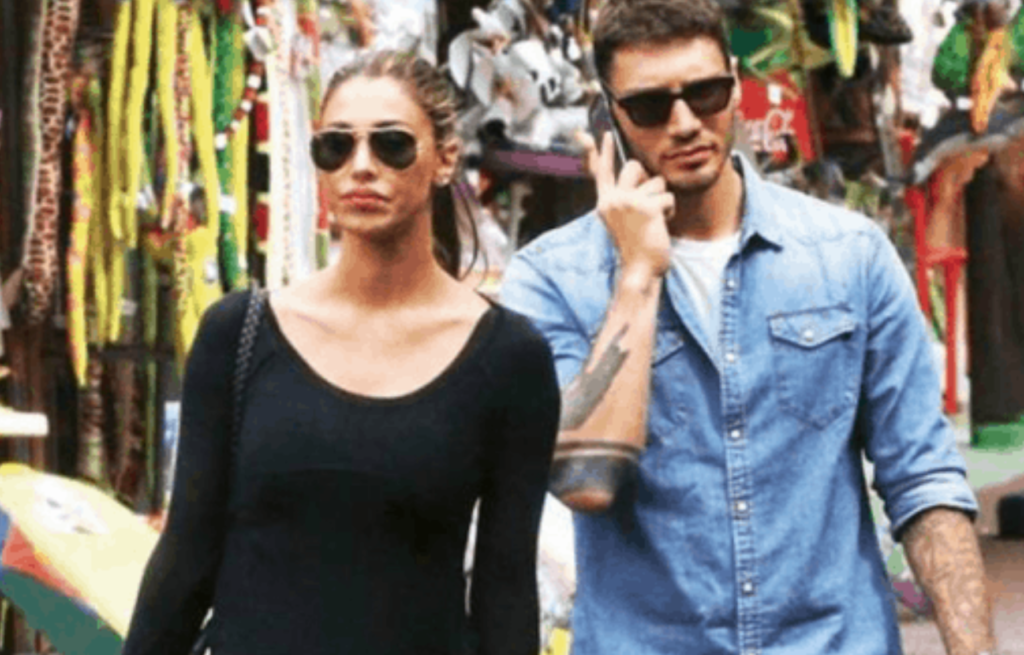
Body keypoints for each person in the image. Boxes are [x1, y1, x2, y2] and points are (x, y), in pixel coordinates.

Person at [499, 0, 1001, 653]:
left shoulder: (848, 255)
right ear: (609, 115)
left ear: (737, 84)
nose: (685, 123)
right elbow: (584, 478)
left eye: (706, 93)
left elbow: (923, 478)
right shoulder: (552, 279)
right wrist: (638, 275)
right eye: (650, 106)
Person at [123, 50, 560, 655]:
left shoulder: (510, 359)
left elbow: (505, 591)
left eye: (392, 144)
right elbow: (185, 558)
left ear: (445, 159)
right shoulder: (237, 333)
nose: (361, 166)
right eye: (335, 146)